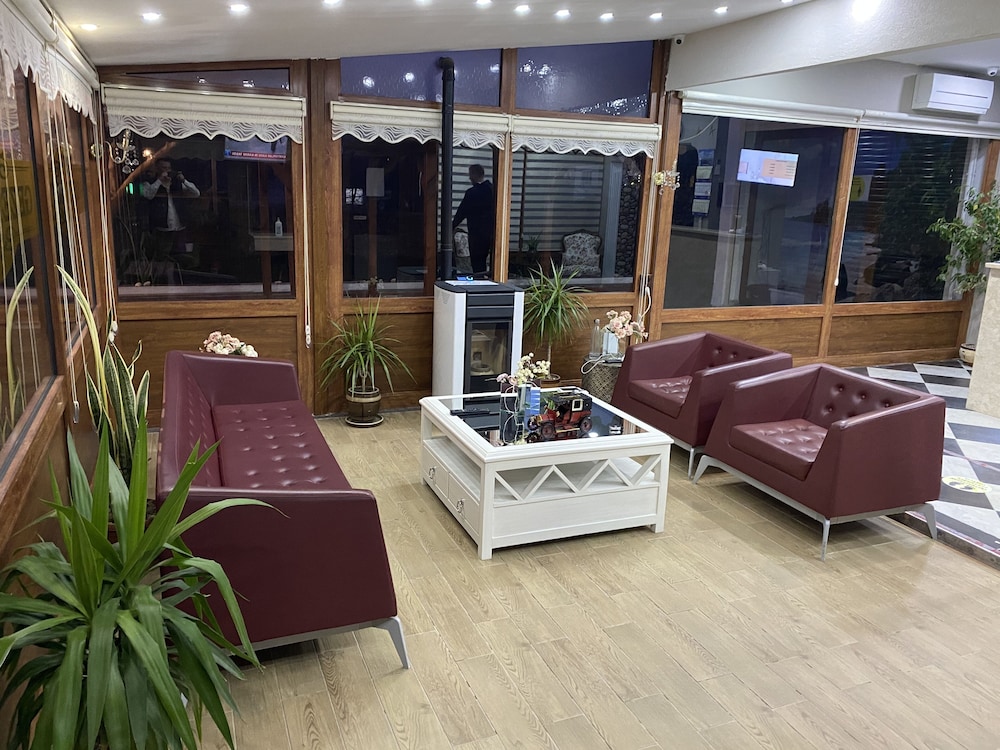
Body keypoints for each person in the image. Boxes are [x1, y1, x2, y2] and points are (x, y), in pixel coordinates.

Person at [141, 158, 200, 265]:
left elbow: (196, 193)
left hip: (179, 227)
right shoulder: (149, 182)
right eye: (163, 168)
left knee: (181, 257)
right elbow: (148, 195)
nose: (166, 171)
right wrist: (159, 180)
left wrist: (184, 180)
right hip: (161, 229)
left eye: (168, 168)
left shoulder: (177, 183)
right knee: (161, 258)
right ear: (157, 169)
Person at [452, 163, 495, 274]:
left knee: (477, 262)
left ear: (474, 175)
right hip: (492, 232)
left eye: (470, 174)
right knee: (491, 261)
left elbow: (461, 212)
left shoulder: (472, 193)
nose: (469, 178)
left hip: (476, 233)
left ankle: (479, 279)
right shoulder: (493, 190)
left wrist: (451, 226)